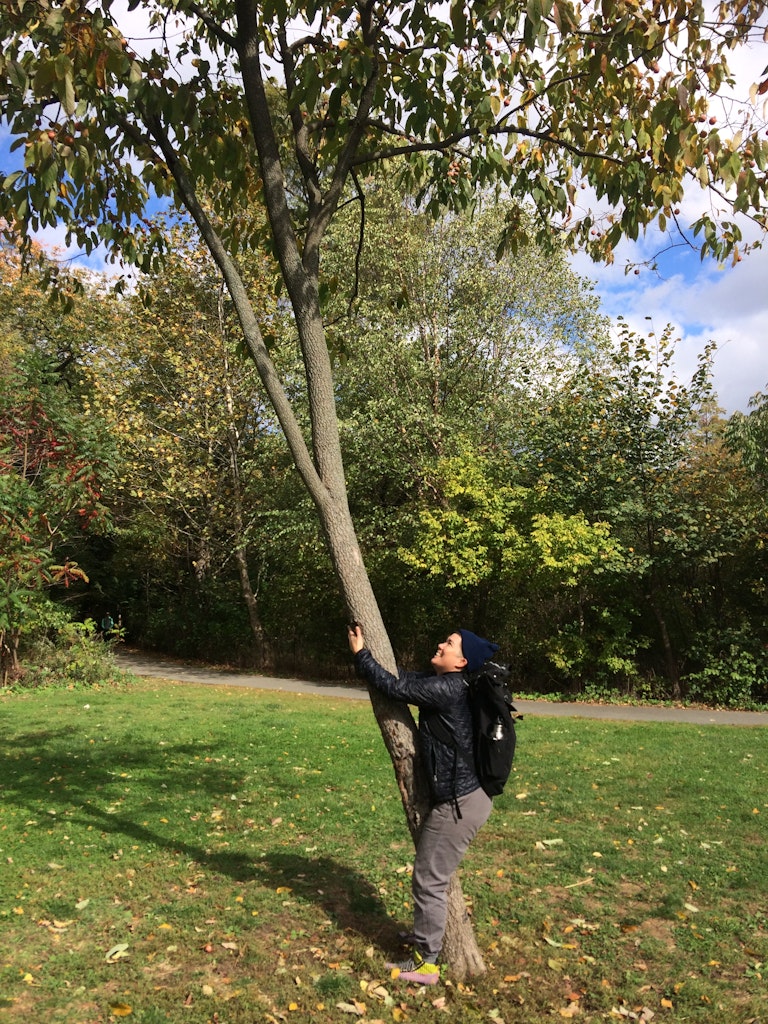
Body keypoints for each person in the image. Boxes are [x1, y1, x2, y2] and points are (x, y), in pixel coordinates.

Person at [347, 623, 499, 985]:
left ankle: (427, 963)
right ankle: (424, 941)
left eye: (449, 643)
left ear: (461, 662)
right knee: (431, 877)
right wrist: (374, 657)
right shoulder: (450, 686)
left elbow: (395, 688)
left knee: (428, 880)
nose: (440, 644)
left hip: (459, 805)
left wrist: (360, 655)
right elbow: (404, 677)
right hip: (463, 799)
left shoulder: (447, 689)